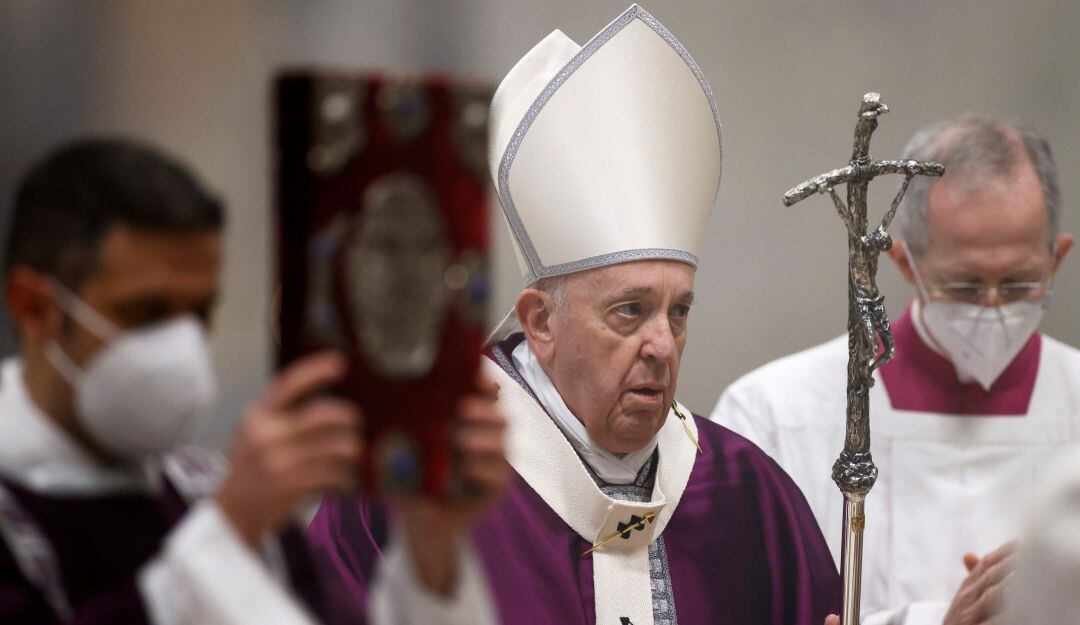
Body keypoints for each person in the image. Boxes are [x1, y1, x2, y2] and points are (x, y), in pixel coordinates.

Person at [310, 5, 840, 625]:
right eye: (630, 311)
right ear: (538, 322)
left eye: (679, 311)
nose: (662, 346)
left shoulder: (748, 495)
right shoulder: (413, 480)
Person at [0, 138, 503, 625]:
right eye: (147, 314)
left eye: (200, 313)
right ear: (35, 307)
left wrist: (431, 549)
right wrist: (229, 531)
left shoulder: (200, 492)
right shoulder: (229, 512)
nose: (181, 345)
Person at [711, 113, 1079, 625]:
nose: (993, 308)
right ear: (907, 265)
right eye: (966, 286)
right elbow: (729, 605)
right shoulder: (773, 415)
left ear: (1057, 259)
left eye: (1019, 285)